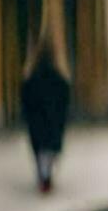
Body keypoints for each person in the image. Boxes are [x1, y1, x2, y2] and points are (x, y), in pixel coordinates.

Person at [19, 33, 70, 193]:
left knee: (41, 151)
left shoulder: (32, 76)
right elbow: (65, 98)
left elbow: (25, 97)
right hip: (52, 120)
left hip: (38, 121)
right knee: (50, 150)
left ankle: (44, 176)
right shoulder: (59, 77)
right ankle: (46, 176)